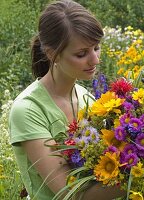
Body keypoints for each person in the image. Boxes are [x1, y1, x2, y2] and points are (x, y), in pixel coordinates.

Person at [8, 0, 126, 199]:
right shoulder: (28, 109)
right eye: (81, 54)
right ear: (52, 54)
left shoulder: (87, 98)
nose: (95, 60)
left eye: (96, 48)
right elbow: (69, 194)